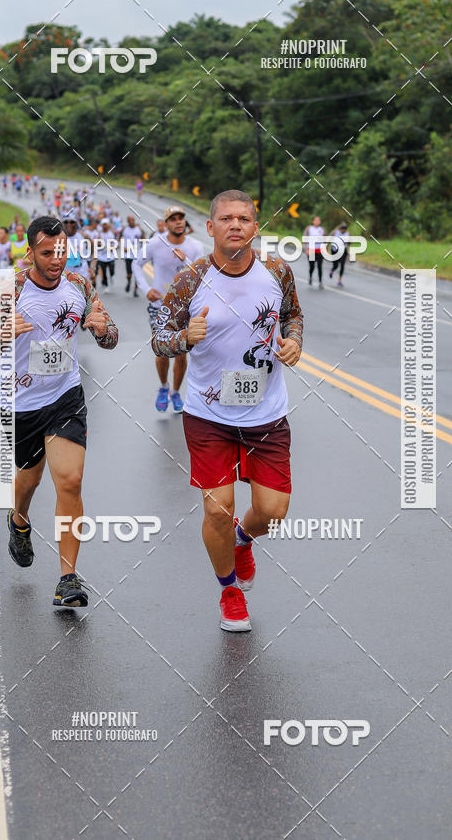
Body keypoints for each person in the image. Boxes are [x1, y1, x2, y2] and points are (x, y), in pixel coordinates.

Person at [151, 189, 303, 632]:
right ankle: (230, 592)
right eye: (227, 219)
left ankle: (243, 539)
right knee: (217, 509)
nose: (236, 225)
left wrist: (294, 341)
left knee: (272, 510)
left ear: (255, 227)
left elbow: (293, 314)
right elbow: (160, 338)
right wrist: (185, 338)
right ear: (210, 227)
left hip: (266, 413)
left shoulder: (277, 270)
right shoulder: (190, 279)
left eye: (245, 219)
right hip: (208, 414)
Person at [0, 215, 118, 607]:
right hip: (19, 404)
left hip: (64, 396)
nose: (56, 260)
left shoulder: (80, 285)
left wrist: (102, 330)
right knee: (29, 482)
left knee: (69, 480)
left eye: (62, 251)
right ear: (31, 251)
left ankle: (68, 578)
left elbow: (111, 337)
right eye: (48, 252)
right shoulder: (10, 289)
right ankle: (19, 519)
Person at [133, 206, 204, 413]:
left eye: (181, 218)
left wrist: (186, 260)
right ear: (166, 224)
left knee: (181, 354)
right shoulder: (155, 243)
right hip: (160, 307)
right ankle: (163, 387)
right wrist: (146, 289)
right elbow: (137, 264)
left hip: (186, 308)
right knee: (163, 352)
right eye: (173, 219)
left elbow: (200, 275)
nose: (178, 222)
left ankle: (175, 392)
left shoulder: (195, 246)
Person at [121, 214, 144, 297]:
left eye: (132, 220)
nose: (131, 222)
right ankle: (129, 281)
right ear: (127, 221)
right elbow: (121, 239)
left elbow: (143, 240)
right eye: (129, 220)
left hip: (137, 255)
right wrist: (123, 247)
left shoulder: (138, 230)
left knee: (137, 274)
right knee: (129, 274)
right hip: (128, 255)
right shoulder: (125, 230)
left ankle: (135, 290)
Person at [303, 215, 325, 288]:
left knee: (319, 266)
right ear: (313, 221)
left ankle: (320, 281)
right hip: (311, 250)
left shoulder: (322, 229)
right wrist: (306, 249)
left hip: (319, 250)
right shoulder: (309, 228)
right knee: (312, 266)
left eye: (319, 220)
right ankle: (310, 277)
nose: (317, 222)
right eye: (316, 220)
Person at [95, 217, 116, 288]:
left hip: (110, 256)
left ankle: (112, 276)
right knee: (103, 273)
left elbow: (114, 245)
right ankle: (106, 285)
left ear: (108, 225)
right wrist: (99, 244)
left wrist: (111, 248)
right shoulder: (99, 234)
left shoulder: (111, 234)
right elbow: (97, 244)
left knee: (112, 270)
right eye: (103, 224)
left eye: (105, 224)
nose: (104, 226)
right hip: (101, 257)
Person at [329, 221, 350, 287]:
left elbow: (350, 243)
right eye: (341, 229)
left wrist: (350, 251)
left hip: (343, 250)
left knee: (342, 265)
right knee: (336, 265)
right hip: (335, 250)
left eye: (344, 229)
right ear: (340, 228)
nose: (343, 230)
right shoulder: (336, 232)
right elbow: (330, 235)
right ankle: (332, 271)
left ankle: (339, 281)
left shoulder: (347, 233)